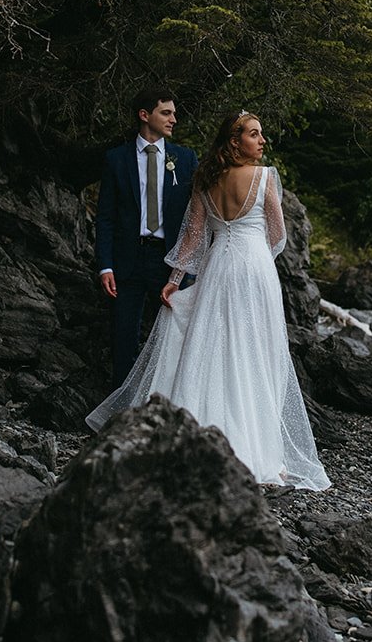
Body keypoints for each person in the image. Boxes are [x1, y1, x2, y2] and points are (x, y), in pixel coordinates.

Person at [87, 110, 330, 491]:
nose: (262, 140)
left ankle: (201, 432)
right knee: (258, 353)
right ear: (236, 141)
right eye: (254, 134)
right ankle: (263, 452)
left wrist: (174, 280)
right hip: (255, 269)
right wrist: (256, 258)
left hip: (218, 267)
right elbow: (278, 236)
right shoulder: (265, 176)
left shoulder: (204, 179)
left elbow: (193, 238)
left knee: (214, 347)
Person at [95, 87, 199, 389]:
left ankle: (167, 409)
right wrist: (105, 266)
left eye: (174, 113)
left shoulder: (184, 158)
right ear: (145, 115)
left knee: (172, 339)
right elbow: (106, 217)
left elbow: (195, 217)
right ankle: (121, 416)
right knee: (123, 338)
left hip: (169, 261)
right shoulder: (116, 159)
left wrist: (186, 266)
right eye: (166, 113)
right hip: (127, 259)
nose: (173, 119)